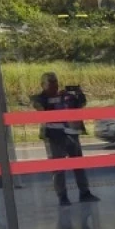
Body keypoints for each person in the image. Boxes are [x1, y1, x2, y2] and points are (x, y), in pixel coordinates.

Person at [31, 73, 98, 206]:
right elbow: (40, 106)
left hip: (71, 134)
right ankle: (62, 196)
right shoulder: (41, 98)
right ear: (43, 85)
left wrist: (77, 94)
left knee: (78, 165)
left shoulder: (66, 96)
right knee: (58, 169)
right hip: (54, 136)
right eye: (50, 82)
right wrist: (56, 98)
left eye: (55, 82)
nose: (54, 85)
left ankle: (84, 192)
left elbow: (81, 103)